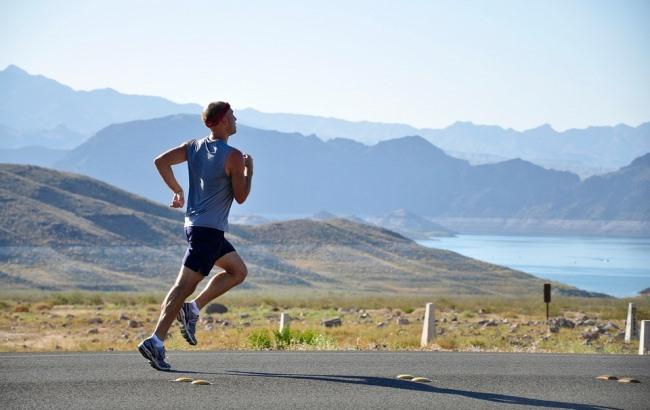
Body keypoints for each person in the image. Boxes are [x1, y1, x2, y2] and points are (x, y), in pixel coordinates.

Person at [138, 101, 253, 370]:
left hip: (197, 227)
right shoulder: (234, 156)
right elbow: (241, 196)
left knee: (237, 271)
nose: (236, 120)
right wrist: (250, 171)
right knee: (182, 287)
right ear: (223, 120)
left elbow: (161, 161)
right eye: (233, 116)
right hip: (208, 232)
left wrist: (177, 190)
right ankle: (155, 341)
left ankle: (193, 309)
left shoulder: (193, 146)